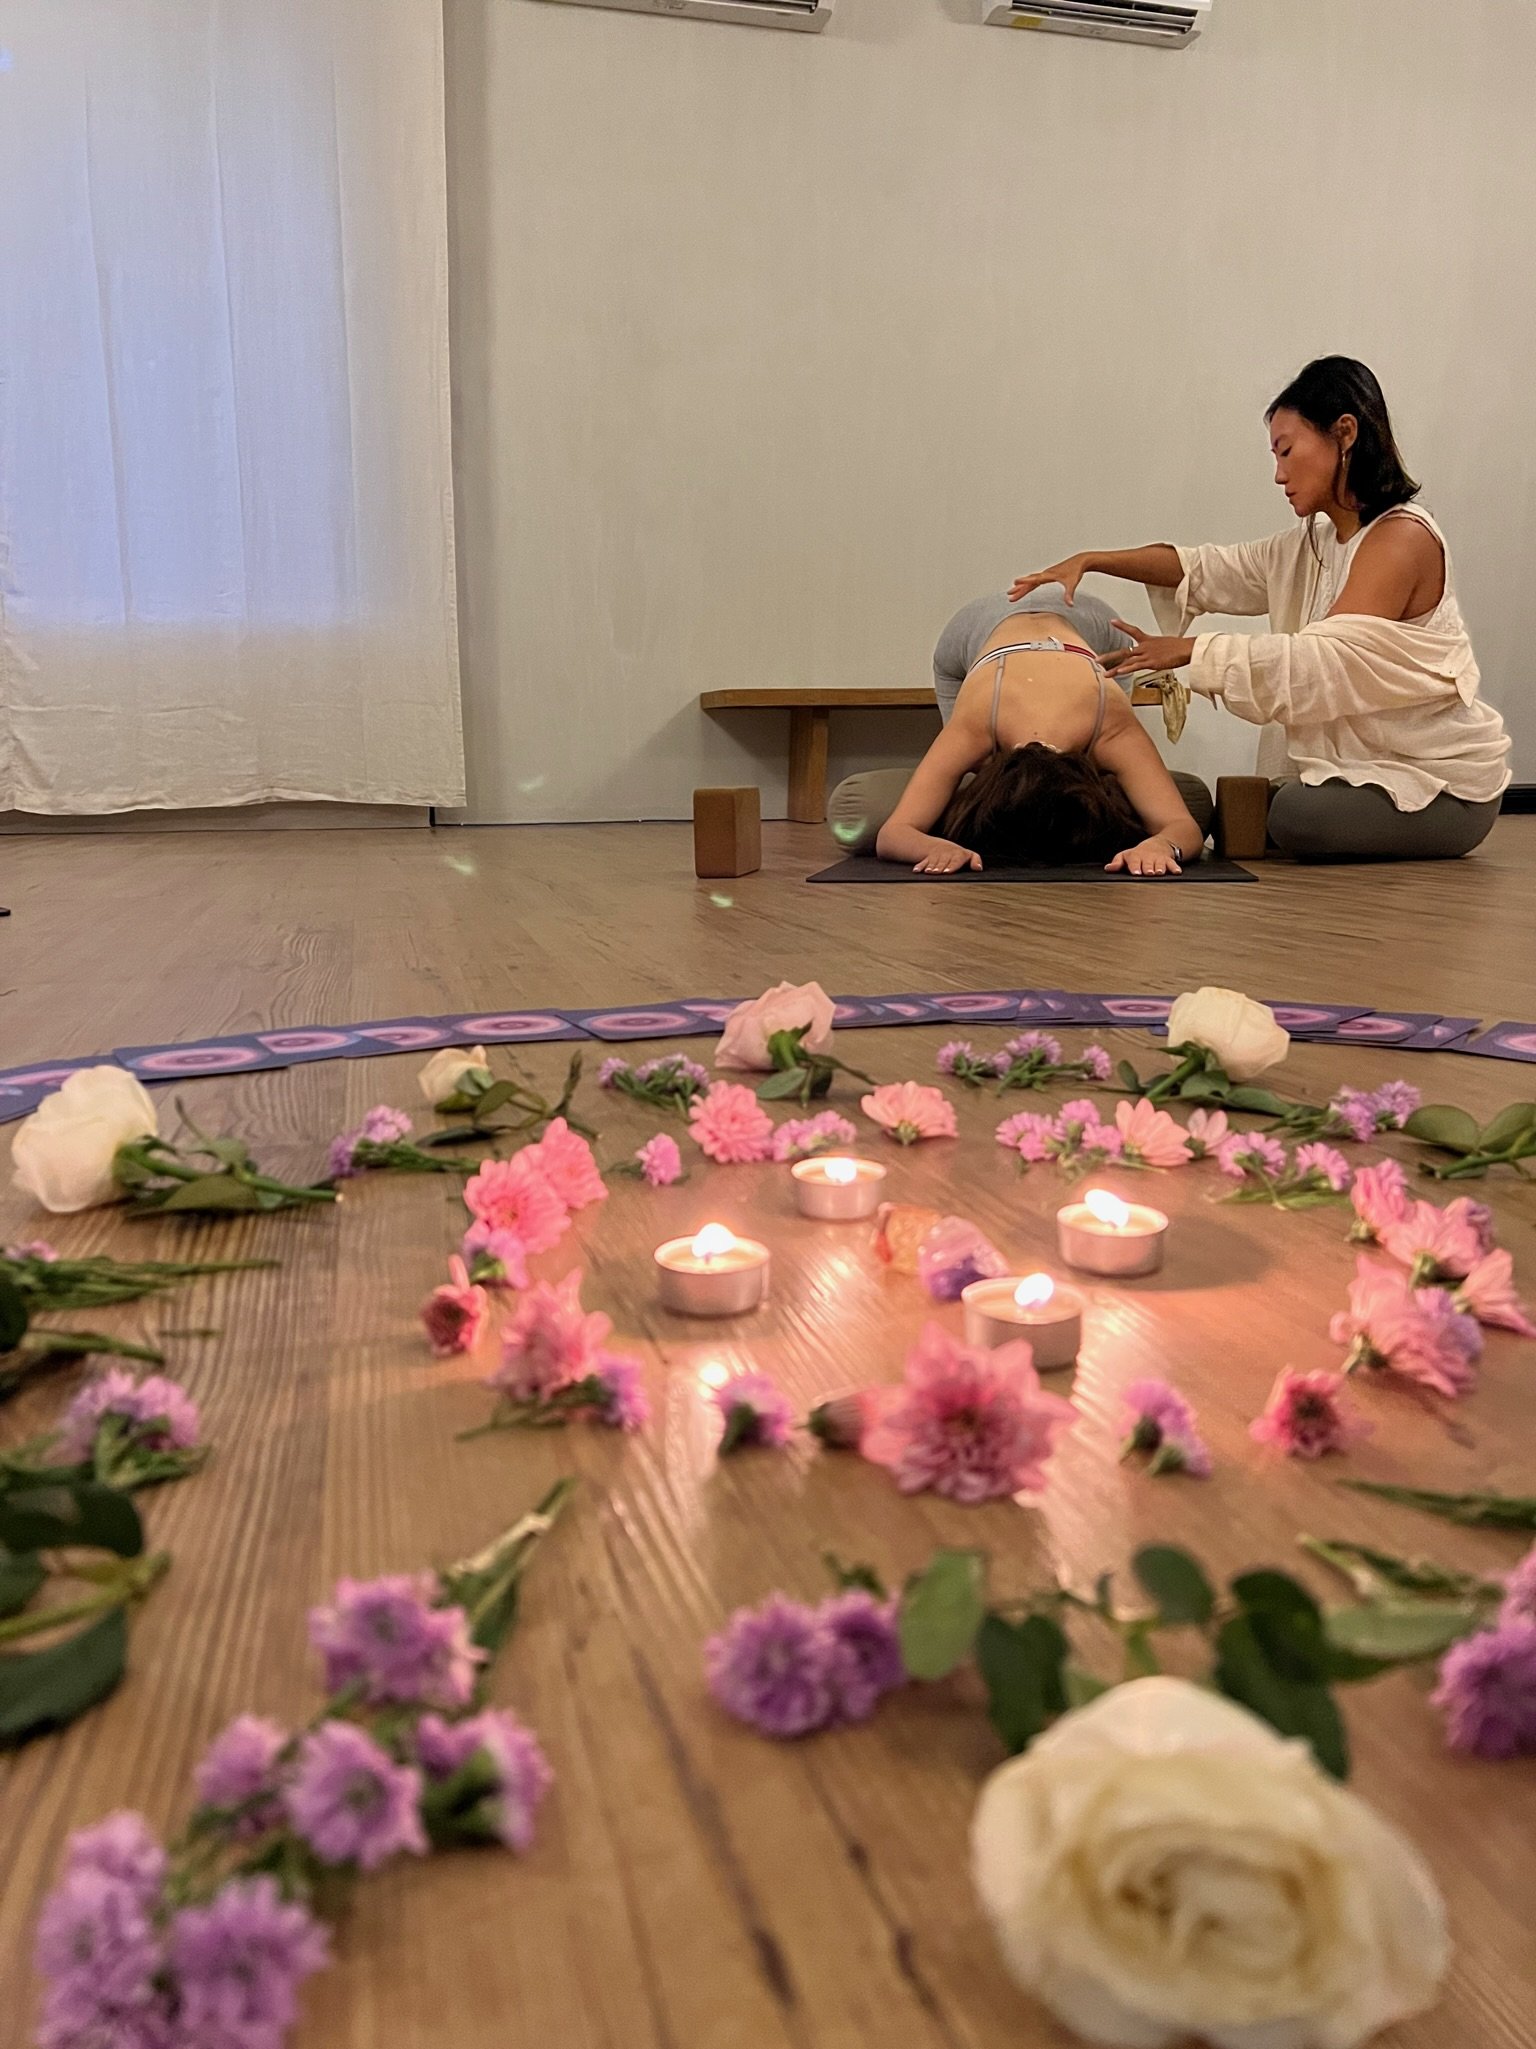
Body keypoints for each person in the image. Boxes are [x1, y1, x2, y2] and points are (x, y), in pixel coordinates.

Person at [1011, 356, 1512, 860]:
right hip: (1364, 776)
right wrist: (1094, 560)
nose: (1278, 474)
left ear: (1345, 434)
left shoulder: (1401, 538)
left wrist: (1189, 652)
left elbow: (1325, 663)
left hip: (1437, 781)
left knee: (1293, 815)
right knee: (1230, 808)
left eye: (1287, 451)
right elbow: (1202, 569)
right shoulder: (1309, 545)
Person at [827, 584, 1210, 875]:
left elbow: (1181, 829)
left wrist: (1162, 848)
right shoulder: (977, 724)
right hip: (977, 636)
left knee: (1131, 793)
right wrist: (933, 848)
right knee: (952, 795)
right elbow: (894, 833)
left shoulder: (1109, 723)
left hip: (1094, 630)